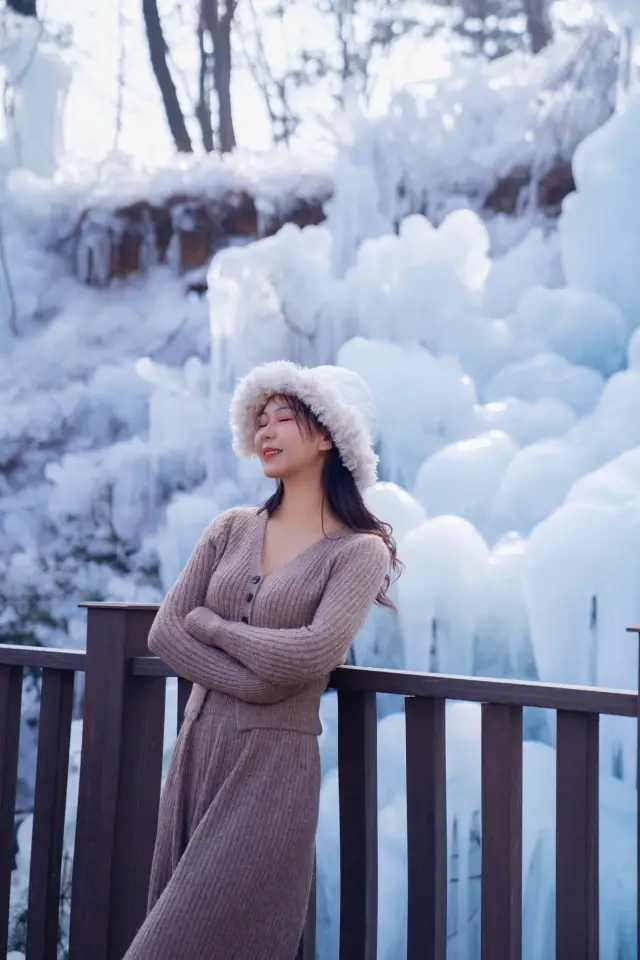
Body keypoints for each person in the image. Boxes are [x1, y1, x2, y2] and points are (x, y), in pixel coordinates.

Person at [123, 360, 401, 960]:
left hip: (272, 767)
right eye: (260, 421)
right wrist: (256, 679)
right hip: (198, 750)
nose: (266, 432)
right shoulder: (230, 528)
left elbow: (310, 653)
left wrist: (215, 626)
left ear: (329, 434)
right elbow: (166, 633)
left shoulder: (359, 552)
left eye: (284, 418)